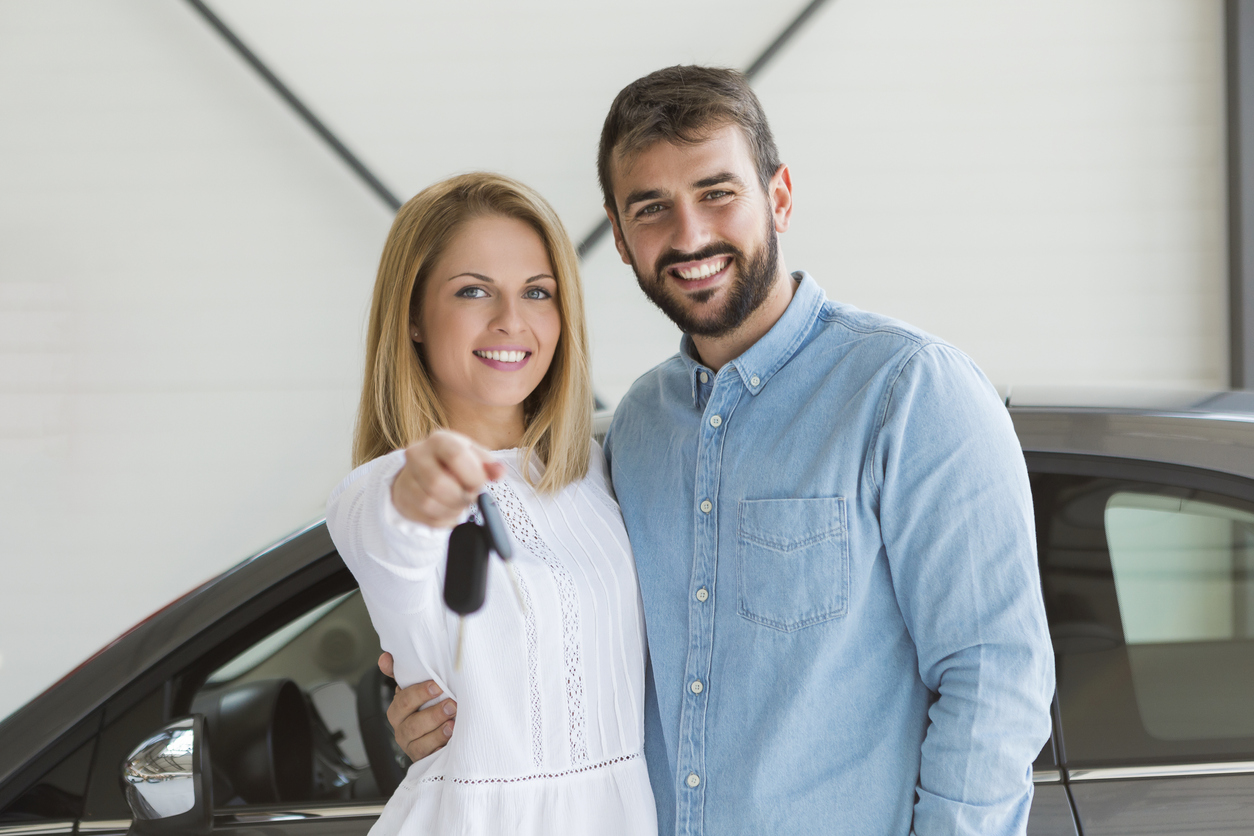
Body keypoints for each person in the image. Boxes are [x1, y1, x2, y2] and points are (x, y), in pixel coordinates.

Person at [387, 66, 1055, 835]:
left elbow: (995, 677)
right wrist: (444, 709)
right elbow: (580, 649)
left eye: (717, 193)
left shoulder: (909, 392)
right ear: (619, 234)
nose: (689, 235)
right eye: (651, 208)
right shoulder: (636, 428)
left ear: (779, 197)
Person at [325, 172, 656, 835]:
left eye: (537, 291)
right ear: (412, 317)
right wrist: (423, 487)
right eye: (473, 291)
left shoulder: (601, 469)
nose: (511, 319)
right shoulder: (374, 488)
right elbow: (396, 529)